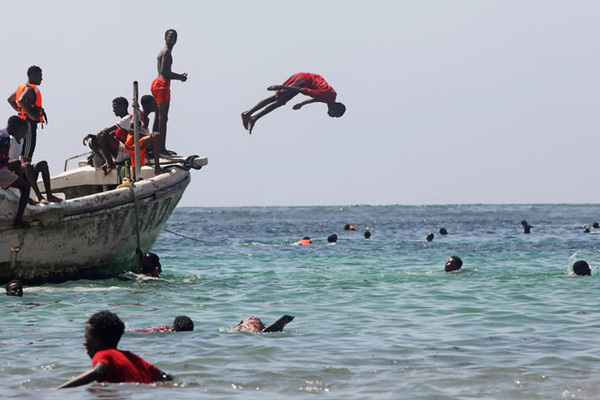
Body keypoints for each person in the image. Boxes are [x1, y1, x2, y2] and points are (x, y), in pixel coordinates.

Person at [58, 310, 172, 388]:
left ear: (97, 340)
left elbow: (98, 371)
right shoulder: (133, 358)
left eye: (87, 338)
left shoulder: (103, 354)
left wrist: (58, 390)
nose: (85, 343)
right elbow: (165, 377)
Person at [241, 72, 346, 134]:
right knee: (277, 98)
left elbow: (315, 99)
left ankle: (253, 117)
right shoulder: (326, 95)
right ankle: (248, 115)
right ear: (335, 108)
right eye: (335, 115)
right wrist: (280, 87)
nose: (332, 117)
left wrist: (301, 104)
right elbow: (303, 90)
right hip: (303, 80)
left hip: (305, 80)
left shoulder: (330, 98)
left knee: (280, 101)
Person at [83, 98, 164, 177]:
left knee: (100, 136)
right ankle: (109, 161)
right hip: (126, 149)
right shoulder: (126, 121)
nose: (113, 110)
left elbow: (105, 133)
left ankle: (109, 163)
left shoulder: (131, 118)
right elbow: (107, 134)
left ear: (123, 106)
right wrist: (92, 136)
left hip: (128, 150)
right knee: (92, 141)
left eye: (115, 107)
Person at [152, 29, 187, 155]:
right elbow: (165, 73)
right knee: (163, 118)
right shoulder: (166, 52)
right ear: (165, 37)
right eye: (171, 36)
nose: (173, 39)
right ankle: (161, 148)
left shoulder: (164, 52)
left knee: (158, 117)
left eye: (175, 37)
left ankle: (153, 145)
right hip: (162, 85)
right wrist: (180, 77)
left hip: (158, 84)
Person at [8, 129, 61, 204]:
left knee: (43, 164)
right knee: (26, 166)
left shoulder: (21, 141)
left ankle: (49, 196)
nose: (26, 133)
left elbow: (23, 157)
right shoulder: (10, 140)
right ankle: (39, 197)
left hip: (20, 170)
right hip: (10, 170)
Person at [7, 66, 46, 162]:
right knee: (27, 153)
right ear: (32, 75)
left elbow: (11, 100)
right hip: (28, 125)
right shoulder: (29, 90)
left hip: (22, 123)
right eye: (40, 76)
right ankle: (25, 174)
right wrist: (32, 116)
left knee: (23, 151)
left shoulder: (23, 88)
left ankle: (22, 172)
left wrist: (20, 111)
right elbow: (21, 101)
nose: (41, 78)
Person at [0, 116, 32, 228]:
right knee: (26, 187)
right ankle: (18, 220)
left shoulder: (2, 133)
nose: (23, 134)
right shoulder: (4, 137)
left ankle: (23, 196)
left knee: (17, 163)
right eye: (22, 130)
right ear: (15, 126)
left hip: (2, 166)